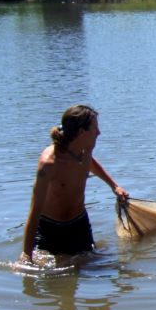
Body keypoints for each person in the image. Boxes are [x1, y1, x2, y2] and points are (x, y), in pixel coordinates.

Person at [19, 105, 129, 263]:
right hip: (51, 229)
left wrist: (114, 186)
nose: (99, 132)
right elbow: (35, 210)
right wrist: (26, 255)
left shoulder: (83, 150)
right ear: (81, 132)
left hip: (79, 224)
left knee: (89, 270)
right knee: (51, 278)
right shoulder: (49, 163)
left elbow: (89, 163)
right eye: (95, 128)